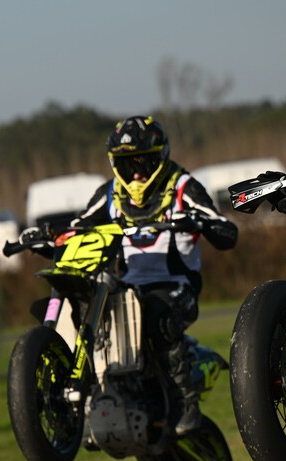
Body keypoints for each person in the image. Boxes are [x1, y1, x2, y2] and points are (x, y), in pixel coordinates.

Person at [69, 115, 238, 435]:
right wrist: (48, 238)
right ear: (114, 164)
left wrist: (201, 224)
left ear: (160, 156)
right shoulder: (109, 194)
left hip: (177, 287)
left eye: (142, 162)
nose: (135, 173)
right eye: (126, 163)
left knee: (156, 314)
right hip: (124, 289)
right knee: (86, 316)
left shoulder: (183, 187)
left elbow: (227, 231)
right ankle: (94, 401)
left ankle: (184, 400)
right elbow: (77, 229)